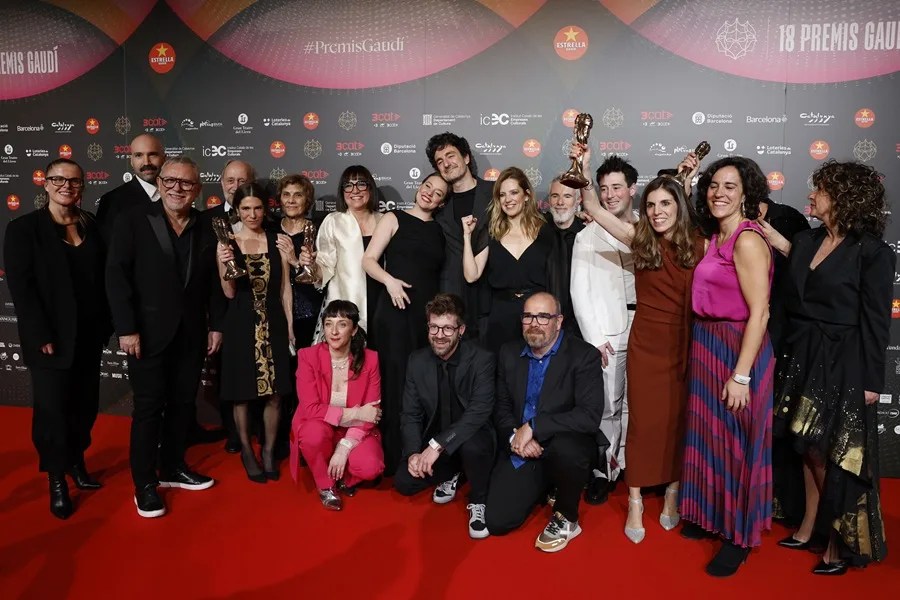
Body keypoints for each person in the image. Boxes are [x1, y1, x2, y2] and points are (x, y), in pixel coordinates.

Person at [763, 160, 892, 575]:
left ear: (842, 198)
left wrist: (873, 381)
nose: (810, 197)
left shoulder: (872, 252)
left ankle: (837, 537)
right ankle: (807, 526)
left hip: (843, 360)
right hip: (801, 354)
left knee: (827, 451)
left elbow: (876, 321)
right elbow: (787, 281)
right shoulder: (806, 239)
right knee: (804, 446)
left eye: (818, 190)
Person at [577, 150, 703, 543]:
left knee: (677, 420)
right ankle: (634, 499)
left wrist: (691, 179)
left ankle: (671, 493)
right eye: (651, 204)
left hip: (685, 342)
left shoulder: (700, 246)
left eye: (665, 203)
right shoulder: (641, 241)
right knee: (643, 421)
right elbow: (593, 206)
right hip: (646, 343)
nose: (658, 211)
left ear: (679, 206)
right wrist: (583, 164)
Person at [106, 156, 225, 518]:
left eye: (186, 184)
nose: (177, 188)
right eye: (171, 181)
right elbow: (116, 276)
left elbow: (214, 286)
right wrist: (126, 328)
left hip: (191, 334)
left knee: (181, 405)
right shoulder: (133, 220)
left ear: (198, 190)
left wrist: (216, 325)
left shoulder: (208, 227)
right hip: (146, 335)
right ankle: (144, 483)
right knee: (148, 409)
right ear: (160, 183)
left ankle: (172, 467)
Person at [680, 156, 774, 576]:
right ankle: (709, 515)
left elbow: (760, 313)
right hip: (707, 343)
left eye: (730, 186)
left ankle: (738, 536)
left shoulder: (747, 240)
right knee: (710, 435)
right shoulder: (716, 235)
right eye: (714, 185)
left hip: (739, 347)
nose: (719, 192)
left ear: (747, 194)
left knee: (736, 442)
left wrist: (741, 375)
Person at [4, 158, 112, 519]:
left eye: (75, 181)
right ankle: (56, 479)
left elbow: (103, 281)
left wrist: (107, 326)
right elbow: (23, 289)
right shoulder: (24, 229)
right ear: (45, 184)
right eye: (59, 180)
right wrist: (40, 334)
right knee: (52, 412)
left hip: (89, 336)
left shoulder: (92, 226)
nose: (67, 186)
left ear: (82, 186)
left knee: (85, 406)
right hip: (50, 341)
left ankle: (76, 462)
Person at [485, 292, 604, 552]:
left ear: (559, 321)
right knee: (497, 521)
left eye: (543, 316)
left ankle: (567, 517)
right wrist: (515, 437)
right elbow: (502, 408)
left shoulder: (584, 356)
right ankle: (546, 484)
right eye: (528, 316)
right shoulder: (508, 353)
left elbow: (589, 417)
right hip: (524, 447)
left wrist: (534, 426)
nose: (534, 323)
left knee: (568, 449)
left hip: (563, 445)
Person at [362, 173, 447, 473]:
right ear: (419, 188)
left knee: (421, 384)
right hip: (395, 313)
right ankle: (391, 455)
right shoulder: (393, 218)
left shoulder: (439, 231)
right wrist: (390, 282)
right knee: (394, 382)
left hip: (426, 319)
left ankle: (419, 454)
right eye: (427, 187)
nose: (430, 194)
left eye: (438, 193)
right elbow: (368, 260)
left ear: (441, 202)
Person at [394, 293, 496, 539]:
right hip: (438, 439)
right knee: (405, 482)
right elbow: (410, 413)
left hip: (473, 436)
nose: (439, 335)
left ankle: (478, 500)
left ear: (460, 330)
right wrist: (413, 453)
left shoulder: (482, 359)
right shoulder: (417, 361)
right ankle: (454, 472)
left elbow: (478, 412)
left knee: (471, 446)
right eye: (434, 327)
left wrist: (435, 446)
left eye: (448, 328)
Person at [215, 182, 294, 483]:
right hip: (240, 322)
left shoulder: (278, 240)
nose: (252, 214)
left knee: (275, 393)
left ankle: (270, 450)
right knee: (243, 394)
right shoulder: (228, 242)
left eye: (258, 207)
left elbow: (286, 288)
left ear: (266, 208)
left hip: (273, 320)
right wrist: (224, 266)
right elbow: (229, 292)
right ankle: (248, 450)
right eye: (245, 208)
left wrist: (288, 328)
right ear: (237, 210)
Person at [570, 154, 638, 504]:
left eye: (617, 187)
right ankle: (606, 469)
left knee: (636, 404)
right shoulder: (586, 236)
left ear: (632, 189)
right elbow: (578, 290)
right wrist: (594, 338)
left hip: (646, 330)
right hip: (608, 335)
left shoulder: (648, 227)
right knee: (609, 404)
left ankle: (630, 463)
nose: (610, 195)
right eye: (604, 189)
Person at [291, 300, 385, 510]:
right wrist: (358, 412)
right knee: (313, 434)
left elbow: (372, 413)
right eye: (328, 323)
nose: (333, 331)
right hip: (319, 426)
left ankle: (345, 478)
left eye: (342, 324)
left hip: (354, 432)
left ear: (354, 330)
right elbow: (312, 409)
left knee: (371, 467)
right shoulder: (308, 357)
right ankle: (326, 485)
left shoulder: (370, 359)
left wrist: (343, 448)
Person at [461, 167, 558, 354]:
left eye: (514, 192)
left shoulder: (546, 229)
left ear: (527, 195)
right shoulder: (491, 231)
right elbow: (471, 275)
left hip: (537, 315)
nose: (508, 199)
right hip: (501, 315)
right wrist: (466, 236)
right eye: (502, 195)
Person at [197, 160, 258, 453]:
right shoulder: (203, 220)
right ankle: (233, 433)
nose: (235, 186)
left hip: (254, 310)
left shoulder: (263, 220)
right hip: (220, 313)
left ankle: (256, 429)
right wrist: (214, 323)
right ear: (220, 183)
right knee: (226, 375)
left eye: (241, 180)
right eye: (230, 180)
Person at [274, 174, 325, 461]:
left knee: (306, 382)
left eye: (298, 195)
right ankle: (279, 438)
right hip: (275, 314)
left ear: (307, 200)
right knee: (281, 381)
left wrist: (295, 261)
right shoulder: (270, 229)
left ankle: (306, 440)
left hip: (309, 313)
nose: (291, 200)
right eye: (286, 194)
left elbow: (321, 276)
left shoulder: (317, 232)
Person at [426, 132, 493, 340]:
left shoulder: (495, 193)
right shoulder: (437, 206)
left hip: (492, 298)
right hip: (453, 302)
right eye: (439, 161)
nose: (446, 163)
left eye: (450, 155)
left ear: (466, 158)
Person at [307, 166, 383, 342]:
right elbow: (325, 267)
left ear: (370, 188)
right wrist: (311, 265)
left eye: (361, 184)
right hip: (345, 307)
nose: (355, 190)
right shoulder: (333, 221)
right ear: (342, 191)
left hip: (380, 304)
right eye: (348, 185)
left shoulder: (384, 220)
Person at [96, 133, 166, 241]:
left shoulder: (177, 194)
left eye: (152, 154)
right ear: (131, 161)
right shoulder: (112, 201)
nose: (146, 162)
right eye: (139, 155)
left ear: (164, 158)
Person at [545, 176, 585, 339]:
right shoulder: (536, 232)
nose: (560, 202)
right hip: (543, 323)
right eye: (555, 196)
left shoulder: (588, 234)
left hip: (580, 326)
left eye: (567, 196)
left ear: (578, 200)